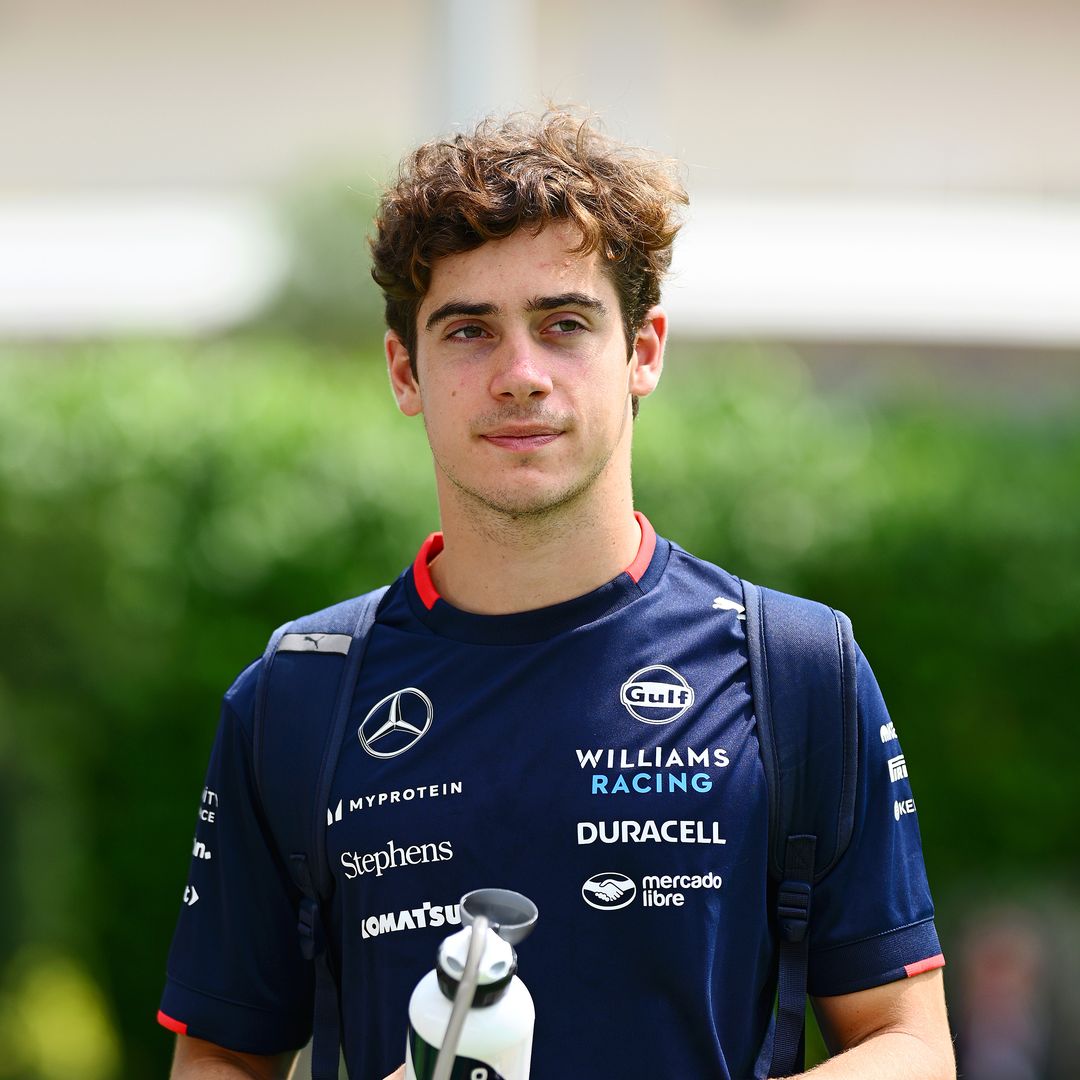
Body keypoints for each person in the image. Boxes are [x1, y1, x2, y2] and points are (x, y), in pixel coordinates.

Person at [160, 111, 955, 1080]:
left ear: (644, 352)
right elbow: (222, 1060)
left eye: (564, 324)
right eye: (469, 332)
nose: (519, 376)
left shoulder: (795, 670)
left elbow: (909, 1043)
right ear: (405, 370)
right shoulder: (297, 699)